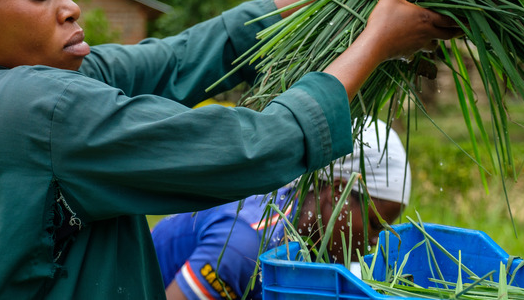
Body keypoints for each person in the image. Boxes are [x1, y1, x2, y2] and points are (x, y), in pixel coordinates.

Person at [0, 0, 462, 299]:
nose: (70, 8)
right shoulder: (37, 107)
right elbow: (256, 144)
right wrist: (376, 41)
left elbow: (184, 58)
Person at [151, 119, 409, 300]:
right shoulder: (246, 243)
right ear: (338, 192)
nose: (376, 242)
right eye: (375, 225)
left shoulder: (319, 240)